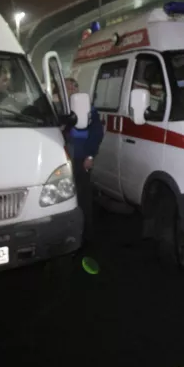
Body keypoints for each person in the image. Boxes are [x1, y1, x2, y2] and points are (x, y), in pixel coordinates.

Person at [64, 77, 104, 243]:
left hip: (80, 159)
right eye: (66, 88)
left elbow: (96, 134)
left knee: (83, 198)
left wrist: (89, 156)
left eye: (72, 87)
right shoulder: (60, 109)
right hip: (63, 160)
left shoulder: (88, 110)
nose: (70, 91)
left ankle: (86, 236)